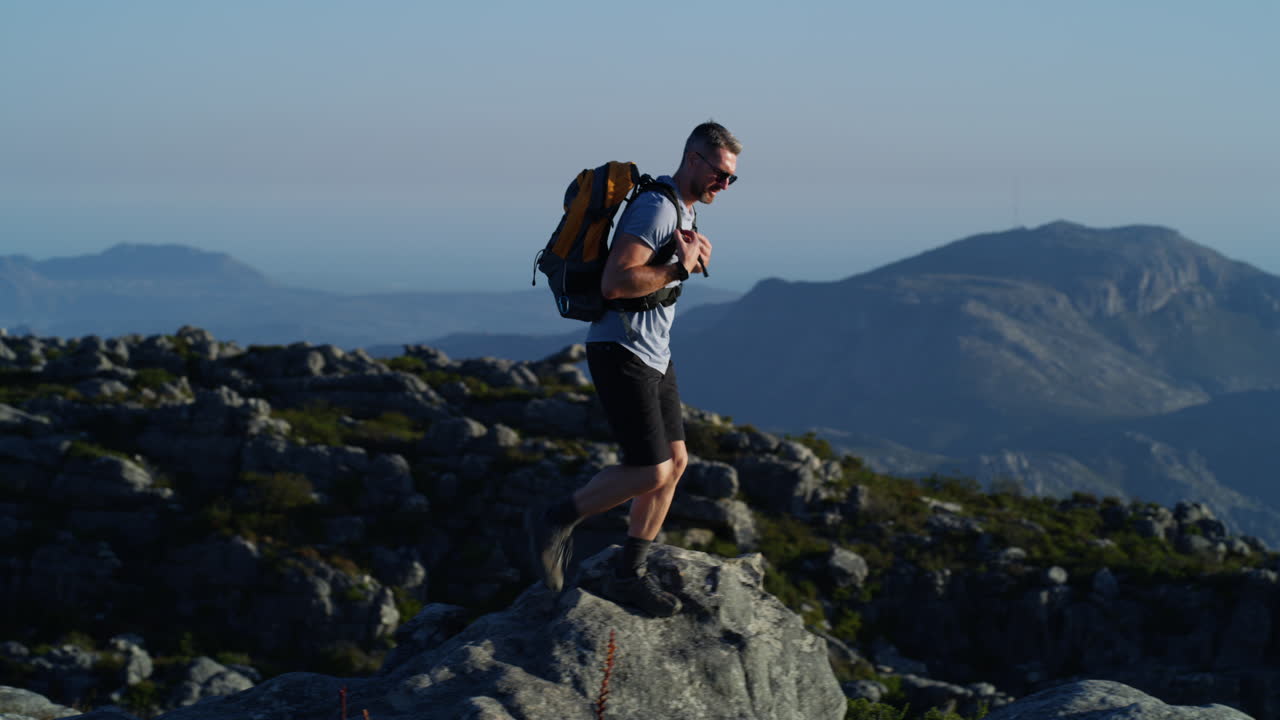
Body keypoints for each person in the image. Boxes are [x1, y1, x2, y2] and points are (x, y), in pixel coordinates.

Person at [526, 121, 742, 617]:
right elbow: (616, 283)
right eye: (720, 174)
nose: (725, 185)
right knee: (650, 469)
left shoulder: (682, 209)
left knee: (675, 464)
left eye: (732, 178)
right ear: (693, 159)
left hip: (654, 354)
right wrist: (678, 268)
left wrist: (686, 260)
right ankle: (554, 519)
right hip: (620, 349)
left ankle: (629, 574)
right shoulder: (656, 207)